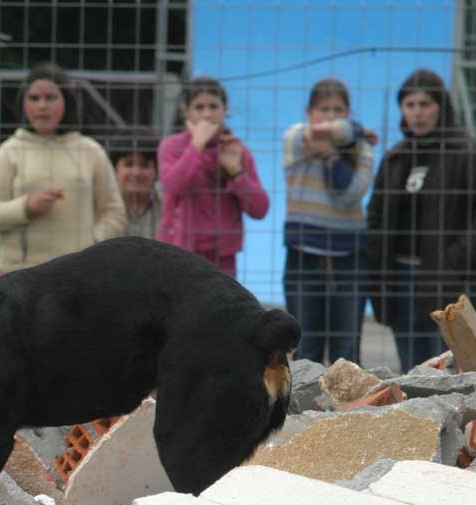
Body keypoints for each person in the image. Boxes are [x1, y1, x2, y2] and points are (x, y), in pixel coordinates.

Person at [366, 69, 476, 369]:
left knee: (451, 368)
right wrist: (378, 263)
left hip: (449, 280)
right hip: (399, 280)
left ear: (441, 106)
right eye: (409, 105)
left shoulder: (471, 154)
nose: (417, 113)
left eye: (425, 104)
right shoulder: (395, 158)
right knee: (412, 370)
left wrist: (456, 258)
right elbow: (375, 215)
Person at [0, 63, 127, 275]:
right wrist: (25, 207)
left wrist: (91, 246)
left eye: (51, 97)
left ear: (66, 101)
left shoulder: (90, 151)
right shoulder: (7, 152)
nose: (42, 106)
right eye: (34, 98)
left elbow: (115, 213)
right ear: (23, 103)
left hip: (78, 275)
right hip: (18, 277)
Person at [282, 79, 377, 364]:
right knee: (304, 348)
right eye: (324, 109)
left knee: (346, 353)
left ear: (348, 112)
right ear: (309, 112)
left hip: (350, 260)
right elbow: (316, 134)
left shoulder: (363, 151)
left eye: (339, 110)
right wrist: (355, 130)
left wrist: (330, 155)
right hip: (304, 257)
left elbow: (349, 195)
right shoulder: (295, 138)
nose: (331, 116)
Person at [157, 77, 269, 276]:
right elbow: (173, 187)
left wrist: (236, 172)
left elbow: (260, 209)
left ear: (225, 109)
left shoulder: (236, 149)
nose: (207, 114)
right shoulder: (171, 147)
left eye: (213, 106)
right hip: (178, 252)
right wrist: (196, 146)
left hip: (222, 258)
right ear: (186, 110)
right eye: (199, 107)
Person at [106, 127, 162, 240]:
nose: (136, 173)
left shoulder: (167, 205)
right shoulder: (102, 205)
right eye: (129, 164)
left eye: (144, 165)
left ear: (156, 169)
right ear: (115, 168)